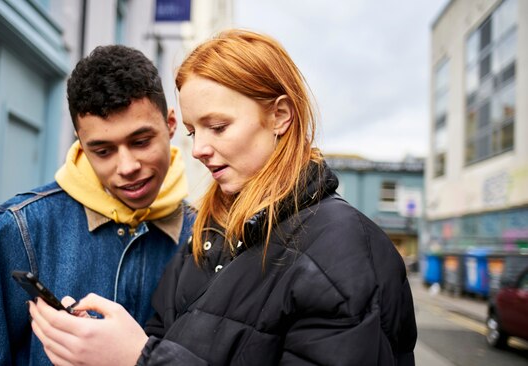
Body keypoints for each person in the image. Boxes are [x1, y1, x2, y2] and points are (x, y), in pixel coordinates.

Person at [29, 29, 417, 365]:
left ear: (281, 115)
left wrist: (138, 358)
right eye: (195, 131)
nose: (198, 149)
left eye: (218, 126)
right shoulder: (208, 231)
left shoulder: (344, 245)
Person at [0, 45, 194, 365]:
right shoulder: (20, 228)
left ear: (171, 124)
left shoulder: (207, 234)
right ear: (81, 143)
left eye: (141, 141)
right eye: (103, 151)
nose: (127, 166)